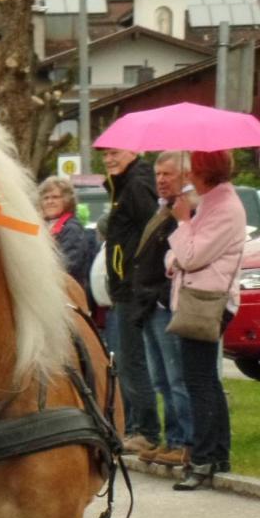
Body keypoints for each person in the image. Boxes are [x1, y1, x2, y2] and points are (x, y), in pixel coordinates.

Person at [165, 149, 244, 490]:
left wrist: (183, 221)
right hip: (200, 297)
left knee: (198, 381)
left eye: (192, 168)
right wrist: (178, 255)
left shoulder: (224, 208)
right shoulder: (213, 202)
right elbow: (178, 256)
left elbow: (191, 255)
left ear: (204, 171)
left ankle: (203, 458)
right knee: (205, 380)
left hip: (207, 301)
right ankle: (217, 454)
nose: (187, 174)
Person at [130, 151, 193, 468]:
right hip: (151, 305)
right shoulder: (162, 209)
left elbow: (184, 255)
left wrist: (158, 292)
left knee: (176, 376)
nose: (161, 180)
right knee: (161, 379)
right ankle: (172, 438)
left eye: (167, 174)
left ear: (185, 175)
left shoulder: (186, 211)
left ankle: (184, 441)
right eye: (158, 175)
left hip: (167, 302)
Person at [101, 146, 161, 454]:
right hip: (124, 286)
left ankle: (146, 429)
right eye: (105, 155)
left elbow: (150, 229)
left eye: (114, 153)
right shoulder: (123, 185)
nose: (109, 159)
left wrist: (134, 273)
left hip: (133, 287)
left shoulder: (137, 185)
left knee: (132, 359)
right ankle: (136, 426)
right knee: (126, 359)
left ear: (134, 151)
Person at [39, 176, 96, 295]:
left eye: (55, 197)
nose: (50, 202)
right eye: (46, 198)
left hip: (67, 294)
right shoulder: (43, 227)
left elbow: (68, 265)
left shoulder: (71, 228)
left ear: (67, 200)